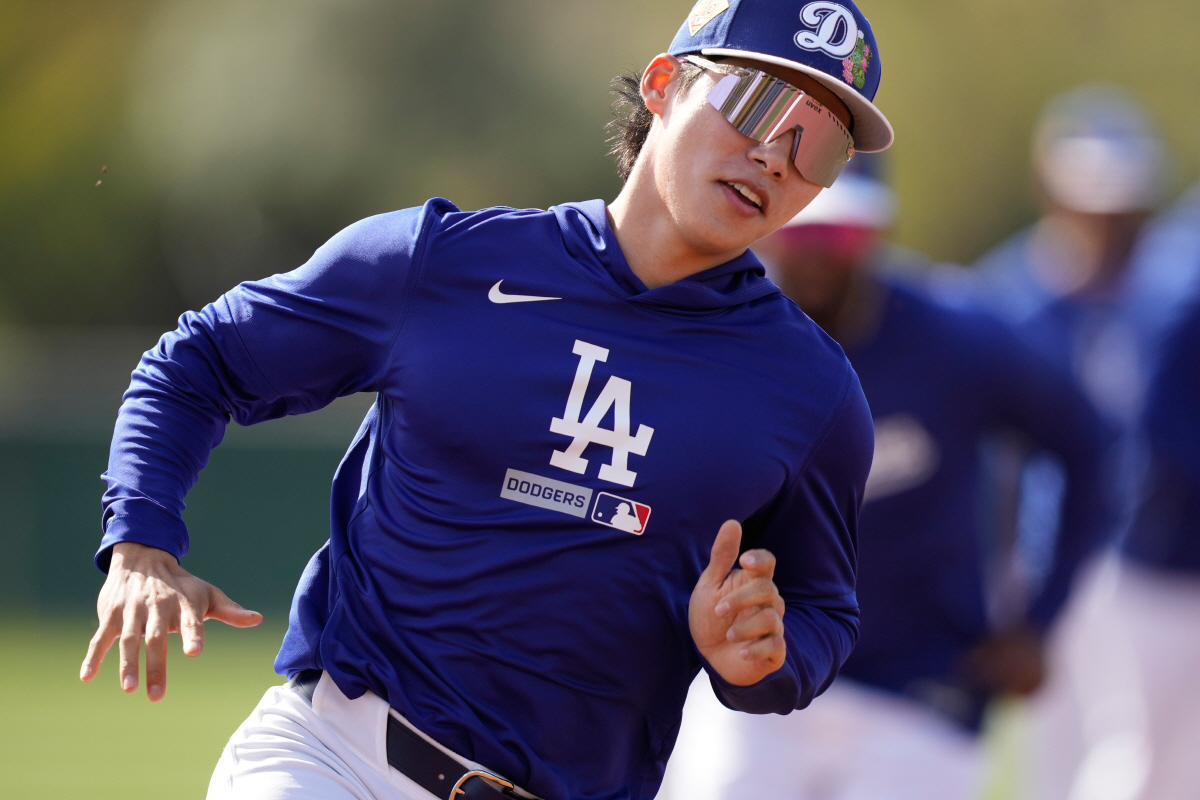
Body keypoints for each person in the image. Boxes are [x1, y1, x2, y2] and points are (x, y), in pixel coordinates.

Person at [78, 2, 895, 799]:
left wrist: (763, 661)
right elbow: (199, 361)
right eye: (755, 103)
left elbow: (824, 609)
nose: (777, 155)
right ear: (662, 84)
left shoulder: (815, 394)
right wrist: (140, 542)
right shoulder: (439, 265)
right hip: (335, 761)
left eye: (820, 144)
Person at [658, 158, 1114, 800]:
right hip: (756, 683)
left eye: (839, 235)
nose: (817, 254)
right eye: (800, 231)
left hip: (922, 691)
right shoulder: (722, 335)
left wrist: (1040, 619)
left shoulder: (956, 338)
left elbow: (1091, 446)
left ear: (876, 232)